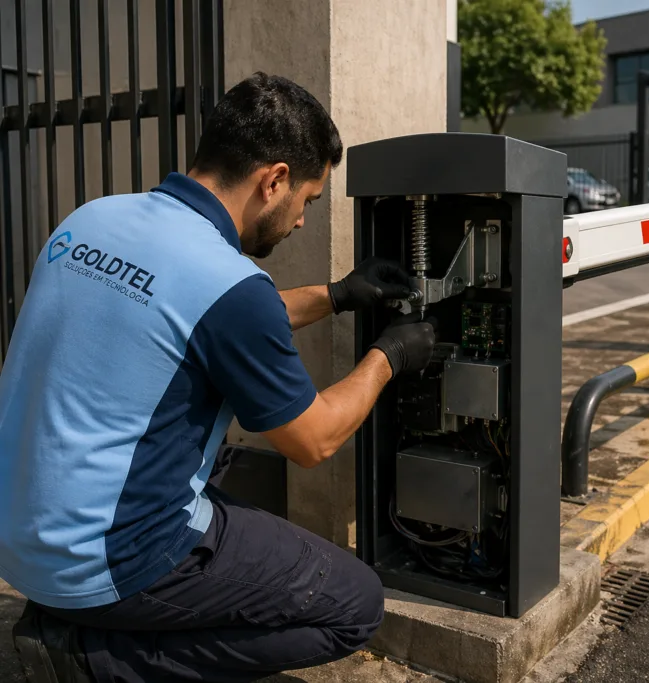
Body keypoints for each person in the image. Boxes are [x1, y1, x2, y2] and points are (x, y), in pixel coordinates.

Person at [0, 72, 436, 683]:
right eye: (308, 201)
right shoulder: (229, 284)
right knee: (353, 606)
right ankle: (92, 661)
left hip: (22, 542)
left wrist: (338, 295)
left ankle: (84, 622)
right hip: (105, 559)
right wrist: (390, 355)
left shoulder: (94, 220)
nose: (304, 222)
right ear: (274, 180)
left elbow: (200, 317)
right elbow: (314, 440)